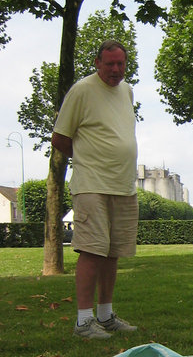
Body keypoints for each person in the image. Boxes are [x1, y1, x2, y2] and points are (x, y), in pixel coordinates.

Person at [51, 40, 140, 340]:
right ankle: (83, 321)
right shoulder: (81, 91)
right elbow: (60, 138)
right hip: (92, 184)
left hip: (123, 185)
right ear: (97, 63)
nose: (116, 70)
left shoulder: (127, 91)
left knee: (112, 252)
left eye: (120, 64)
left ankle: (105, 315)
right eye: (109, 64)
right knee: (91, 250)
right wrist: (89, 156)